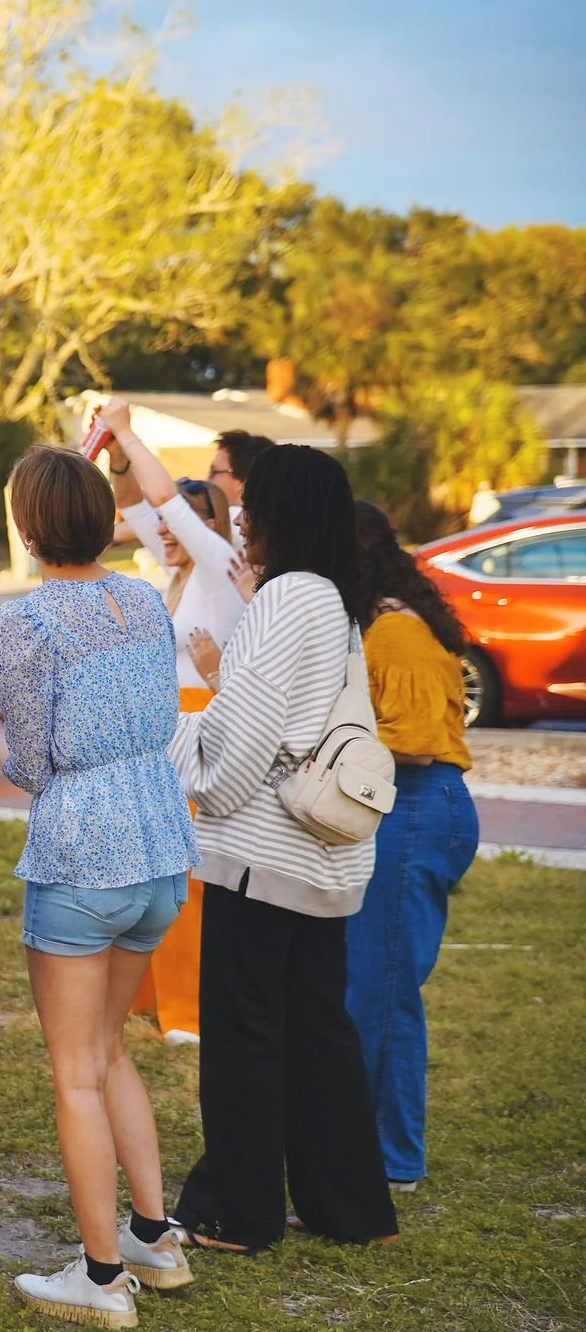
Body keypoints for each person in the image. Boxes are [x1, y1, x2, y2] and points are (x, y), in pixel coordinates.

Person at [0, 446, 201, 1327]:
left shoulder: (24, 623)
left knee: (75, 1073)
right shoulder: (142, 597)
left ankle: (103, 1278)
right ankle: (154, 1236)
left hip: (82, 851)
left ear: (28, 527)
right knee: (109, 1052)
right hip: (158, 844)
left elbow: (34, 765)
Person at [167, 444, 398, 1252]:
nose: (240, 514)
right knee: (318, 1033)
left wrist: (168, 736)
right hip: (322, 859)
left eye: (251, 501)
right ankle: (352, 1209)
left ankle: (240, 1209)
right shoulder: (332, 598)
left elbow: (238, 745)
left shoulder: (283, 598)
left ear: (280, 511)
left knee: (244, 1036)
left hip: (263, 857)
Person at [98, 401, 251, 1048]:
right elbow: (135, 501)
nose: (166, 530)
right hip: (164, 735)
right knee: (159, 870)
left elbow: (165, 505)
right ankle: (152, 995)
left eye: (184, 520)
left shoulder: (218, 570)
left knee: (189, 873)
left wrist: (134, 430)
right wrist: (113, 447)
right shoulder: (175, 577)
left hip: (204, 731)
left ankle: (189, 1009)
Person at [346, 500, 480, 1193]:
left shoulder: (395, 630)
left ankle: (392, 1158)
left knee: (383, 990)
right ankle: (372, 1145)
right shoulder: (385, 620)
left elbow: (416, 742)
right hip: (404, 807)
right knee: (370, 985)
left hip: (417, 807)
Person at [205, 429, 273, 545]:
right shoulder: (272, 526)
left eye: (214, 472)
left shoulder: (221, 526)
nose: (207, 480)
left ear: (241, 482)